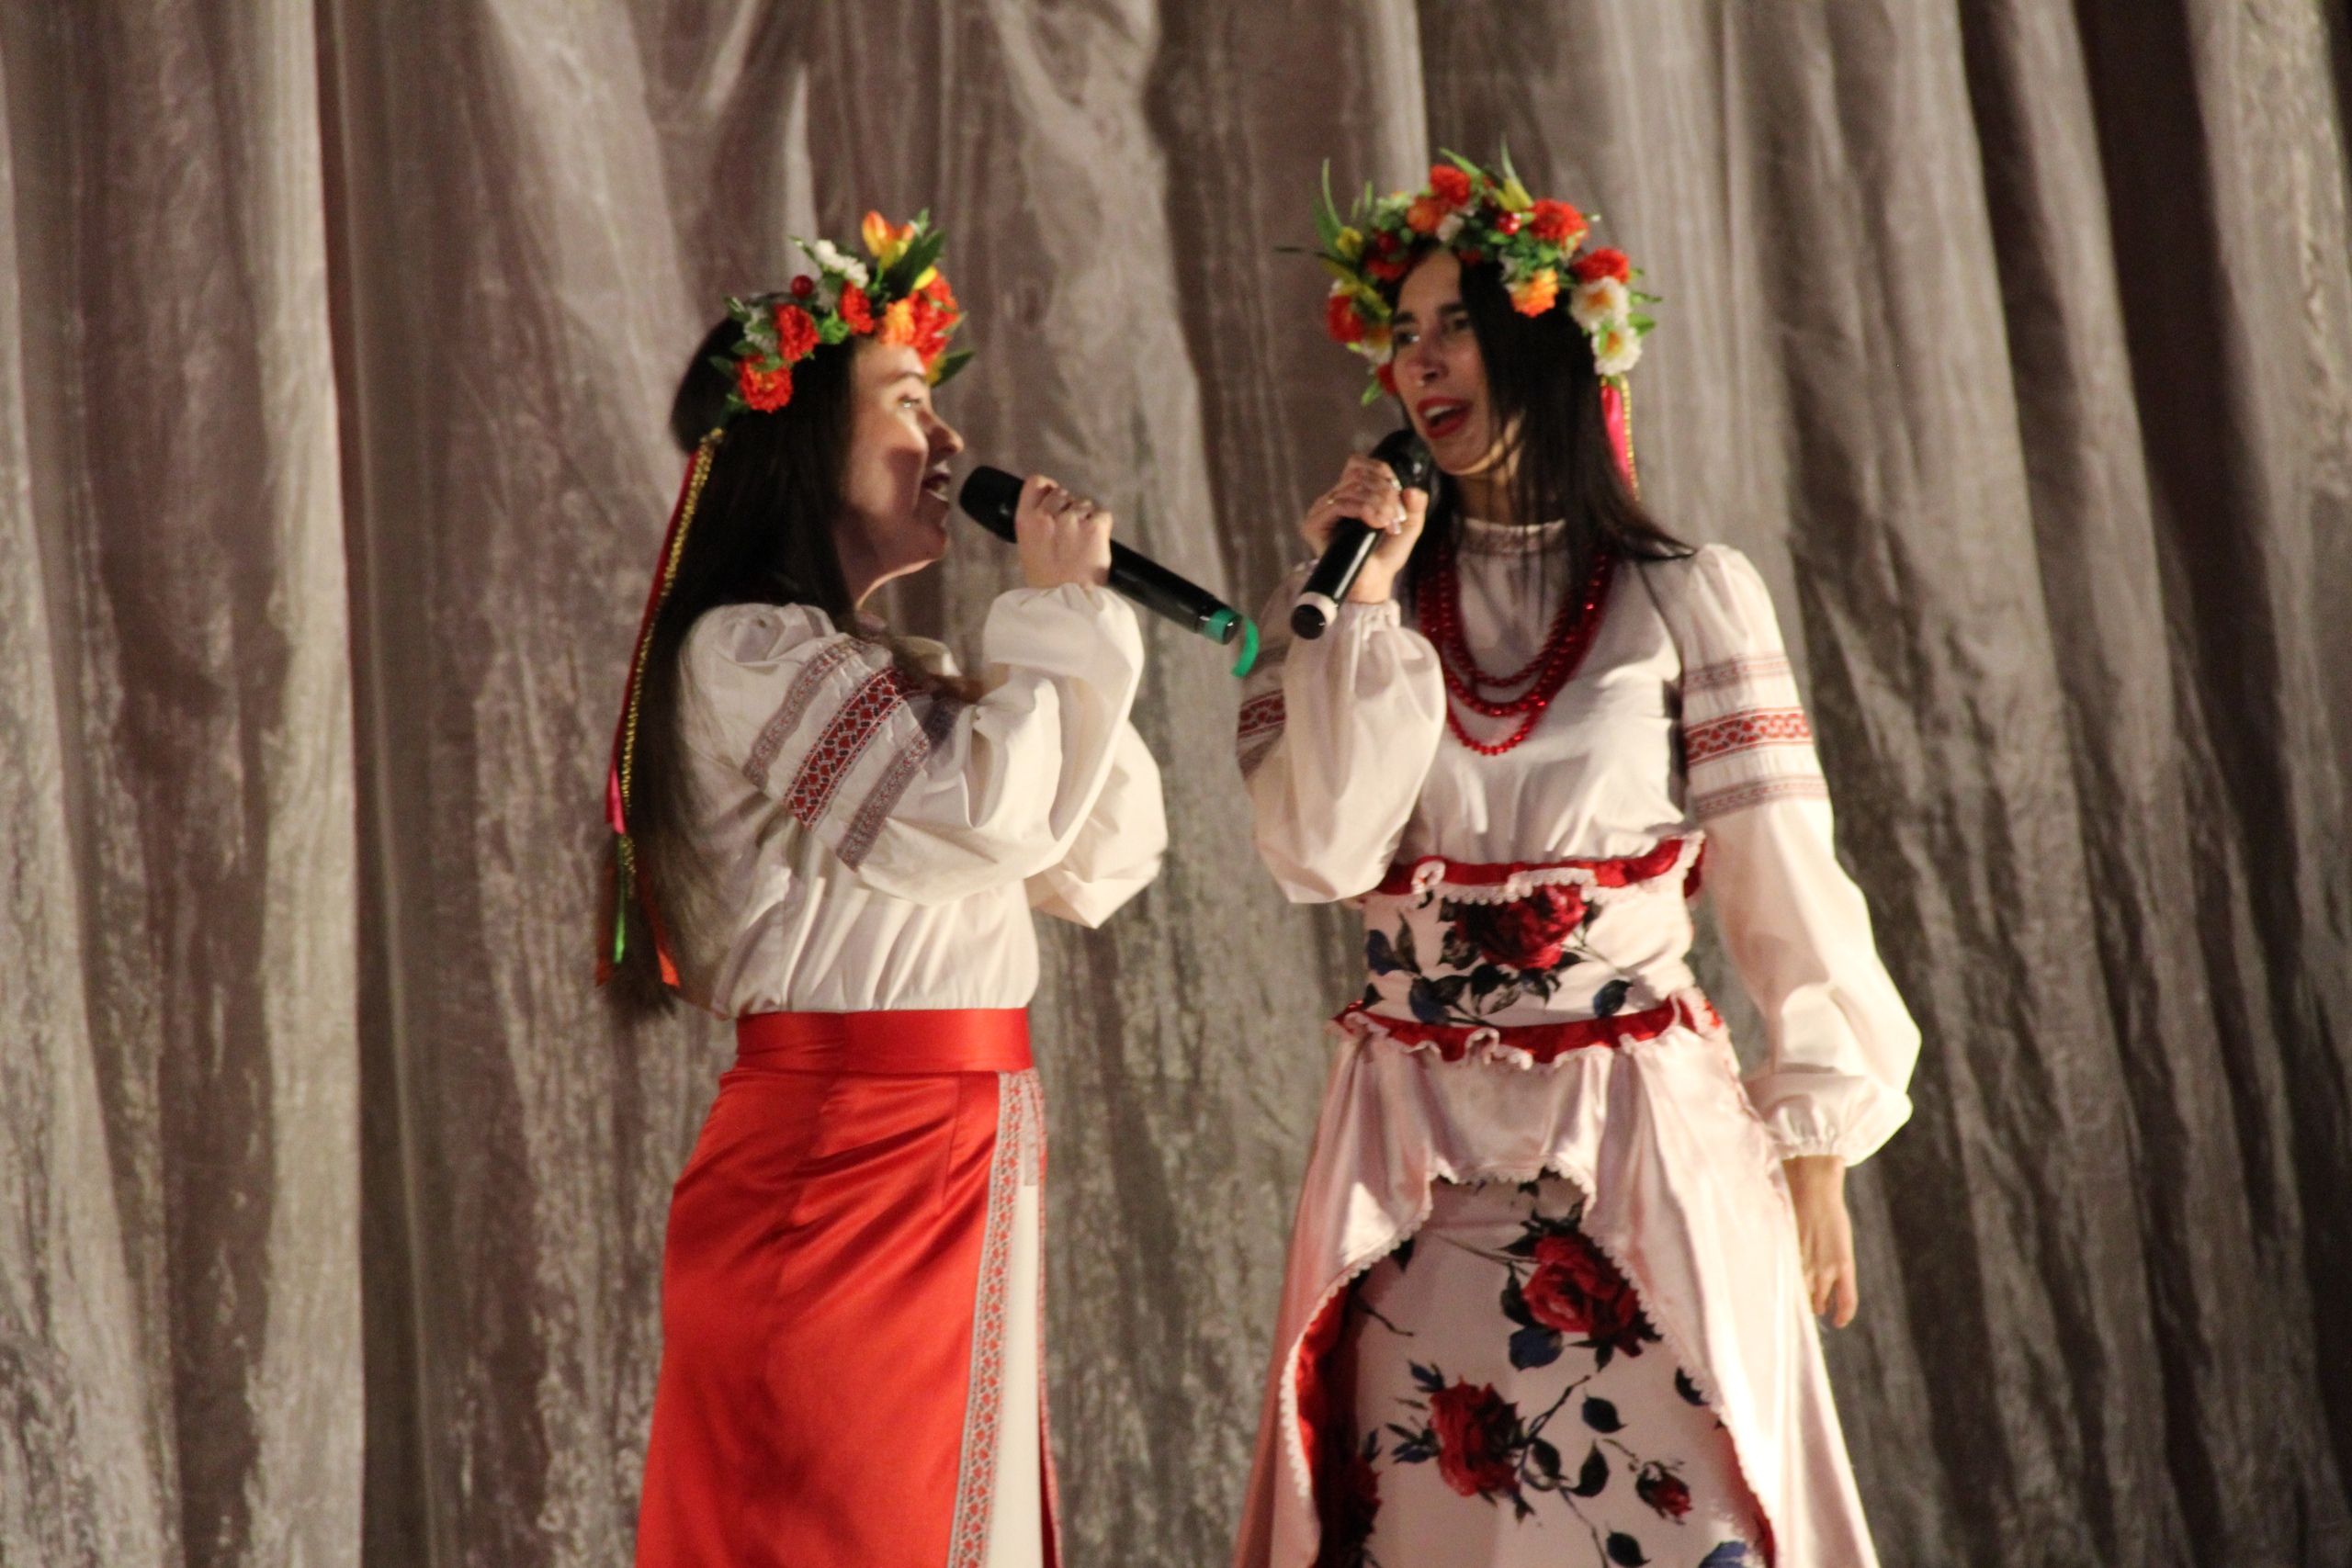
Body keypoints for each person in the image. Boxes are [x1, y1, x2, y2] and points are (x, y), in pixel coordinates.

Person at [1231, 156, 1919, 1568]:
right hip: (1417, 1156)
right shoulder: (1354, 605)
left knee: (1677, 1507)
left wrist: (1817, 1150)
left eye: (1454, 327)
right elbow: (1320, 850)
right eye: (1403, 336)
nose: (1420, 361)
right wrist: (1361, 614)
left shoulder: (1685, 595)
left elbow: (1784, 870)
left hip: (1639, 1140)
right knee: (1439, 1510)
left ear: (1548, 347)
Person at [601, 210, 1166, 1568]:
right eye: (910, 401)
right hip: (847, 1158)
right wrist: (1059, 621)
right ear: (802, 439)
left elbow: (1094, 860)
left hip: (948, 1150)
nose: (949, 439)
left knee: (948, 1523)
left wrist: (1072, 629)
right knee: (854, 1531)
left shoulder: (898, 670)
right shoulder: (747, 649)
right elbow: (962, 820)